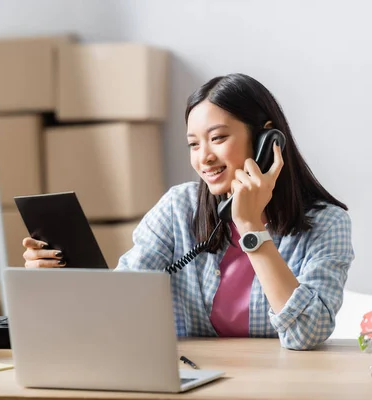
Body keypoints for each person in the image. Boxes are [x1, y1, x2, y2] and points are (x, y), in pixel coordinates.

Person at [21, 73, 355, 350]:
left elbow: (306, 333)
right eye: (194, 144)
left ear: (268, 139)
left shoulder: (326, 223)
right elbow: (119, 307)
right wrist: (58, 282)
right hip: (196, 383)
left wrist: (251, 227)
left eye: (218, 138)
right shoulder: (178, 208)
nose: (204, 157)